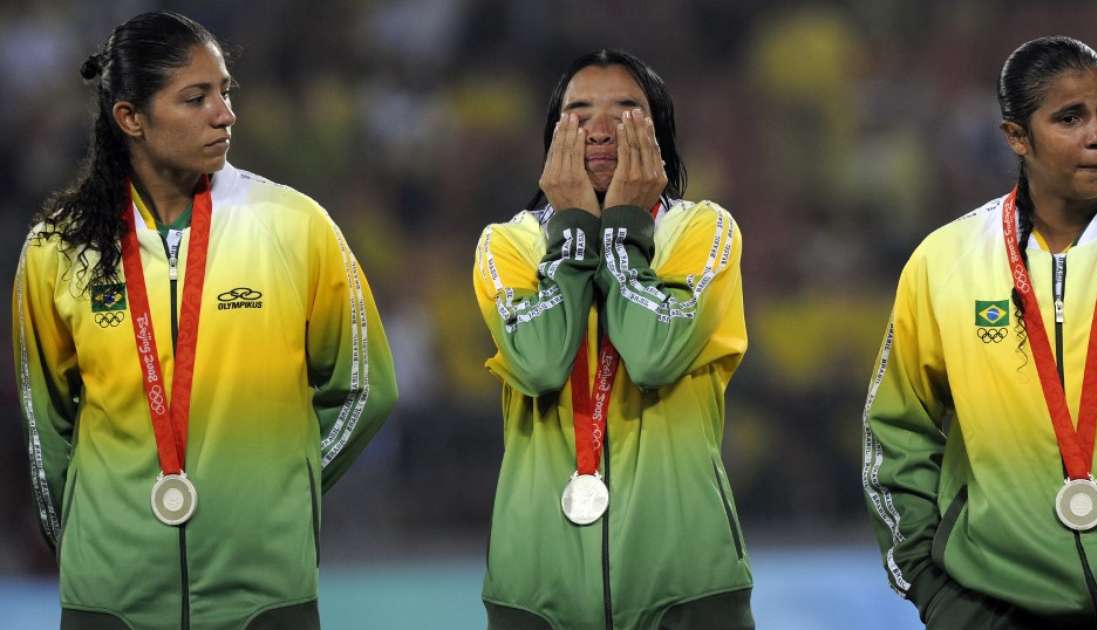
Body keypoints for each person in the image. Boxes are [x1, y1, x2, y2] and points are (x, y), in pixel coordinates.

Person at [13, 12, 398, 629]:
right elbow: (47, 427)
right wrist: (90, 544)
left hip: (263, 595)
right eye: (196, 98)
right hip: (110, 599)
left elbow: (367, 388)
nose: (225, 113)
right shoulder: (59, 249)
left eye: (225, 91)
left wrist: (272, 491)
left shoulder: (296, 227)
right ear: (131, 119)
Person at [863, 35, 1097, 628]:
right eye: (1070, 117)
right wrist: (932, 587)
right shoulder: (945, 262)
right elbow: (897, 432)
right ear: (1016, 137)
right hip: (994, 601)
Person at [472, 49, 754, 630]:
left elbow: (653, 353)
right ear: (552, 142)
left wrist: (622, 229)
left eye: (625, 109)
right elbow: (544, 362)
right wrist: (576, 234)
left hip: (688, 589)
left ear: (659, 136)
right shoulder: (507, 245)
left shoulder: (703, 231)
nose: (600, 129)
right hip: (535, 594)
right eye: (578, 112)